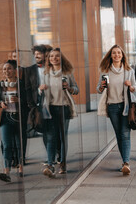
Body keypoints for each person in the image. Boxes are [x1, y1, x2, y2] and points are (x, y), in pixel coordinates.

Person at [97, 44, 136, 175]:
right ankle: (124, 161)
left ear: (122, 55)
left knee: (125, 134)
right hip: (112, 106)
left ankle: (126, 163)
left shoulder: (129, 71)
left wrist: (130, 85)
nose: (116, 55)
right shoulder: (106, 71)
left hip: (125, 106)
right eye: (114, 53)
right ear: (110, 55)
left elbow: (135, 88)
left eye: (119, 53)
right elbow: (98, 89)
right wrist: (102, 86)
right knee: (119, 135)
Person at [41, 48, 79, 177]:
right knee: (51, 137)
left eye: (57, 56)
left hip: (64, 108)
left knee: (62, 137)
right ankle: (51, 165)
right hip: (50, 109)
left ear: (61, 58)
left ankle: (62, 163)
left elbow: (76, 89)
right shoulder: (46, 74)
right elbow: (39, 92)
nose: (54, 58)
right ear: (48, 59)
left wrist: (69, 87)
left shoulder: (67, 73)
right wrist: (40, 89)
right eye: (51, 56)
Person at [0, 60, 27, 182]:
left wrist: (19, 100)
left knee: (19, 144)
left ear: (15, 70)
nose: (7, 71)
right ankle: (6, 170)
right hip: (6, 118)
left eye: (9, 69)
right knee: (7, 145)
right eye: (4, 69)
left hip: (19, 117)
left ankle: (20, 166)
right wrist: (0, 103)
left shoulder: (21, 84)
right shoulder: (0, 85)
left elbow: (28, 101)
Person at [25, 45, 53, 161]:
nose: (36, 56)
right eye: (35, 54)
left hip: (53, 102)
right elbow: (27, 89)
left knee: (54, 132)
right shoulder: (30, 70)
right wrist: (32, 106)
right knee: (46, 132)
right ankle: (50, 157)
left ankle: (57, 154)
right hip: (40, 105)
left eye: (39, 53)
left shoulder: (52, 68)